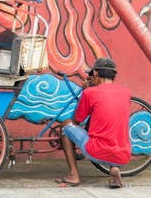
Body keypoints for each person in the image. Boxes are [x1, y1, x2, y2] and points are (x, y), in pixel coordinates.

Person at [55, 57, 131, 188]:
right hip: (123, 156)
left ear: (95, 73)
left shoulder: (90, 92)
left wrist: (86, 92)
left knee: (66, 125)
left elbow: (76, 120)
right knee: (112, 128)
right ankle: (114, 167)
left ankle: (73, 175)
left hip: (97, 152)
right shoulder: (126, 93)